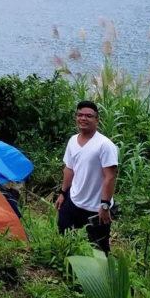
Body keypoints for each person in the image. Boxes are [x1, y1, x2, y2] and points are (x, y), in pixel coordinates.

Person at [55, 100, 119, 253]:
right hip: (74, 200)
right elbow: (69, 169)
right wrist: (63, 193)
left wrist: (104, 206)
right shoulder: (72, 141)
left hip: (96, 208)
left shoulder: (104, 145)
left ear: (97, 120)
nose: (83, 118)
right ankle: (67, 270)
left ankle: (103, 276)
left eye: (88, 116)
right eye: (80, 115)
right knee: (63, 237)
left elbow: (110, 177)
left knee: (99, 248)